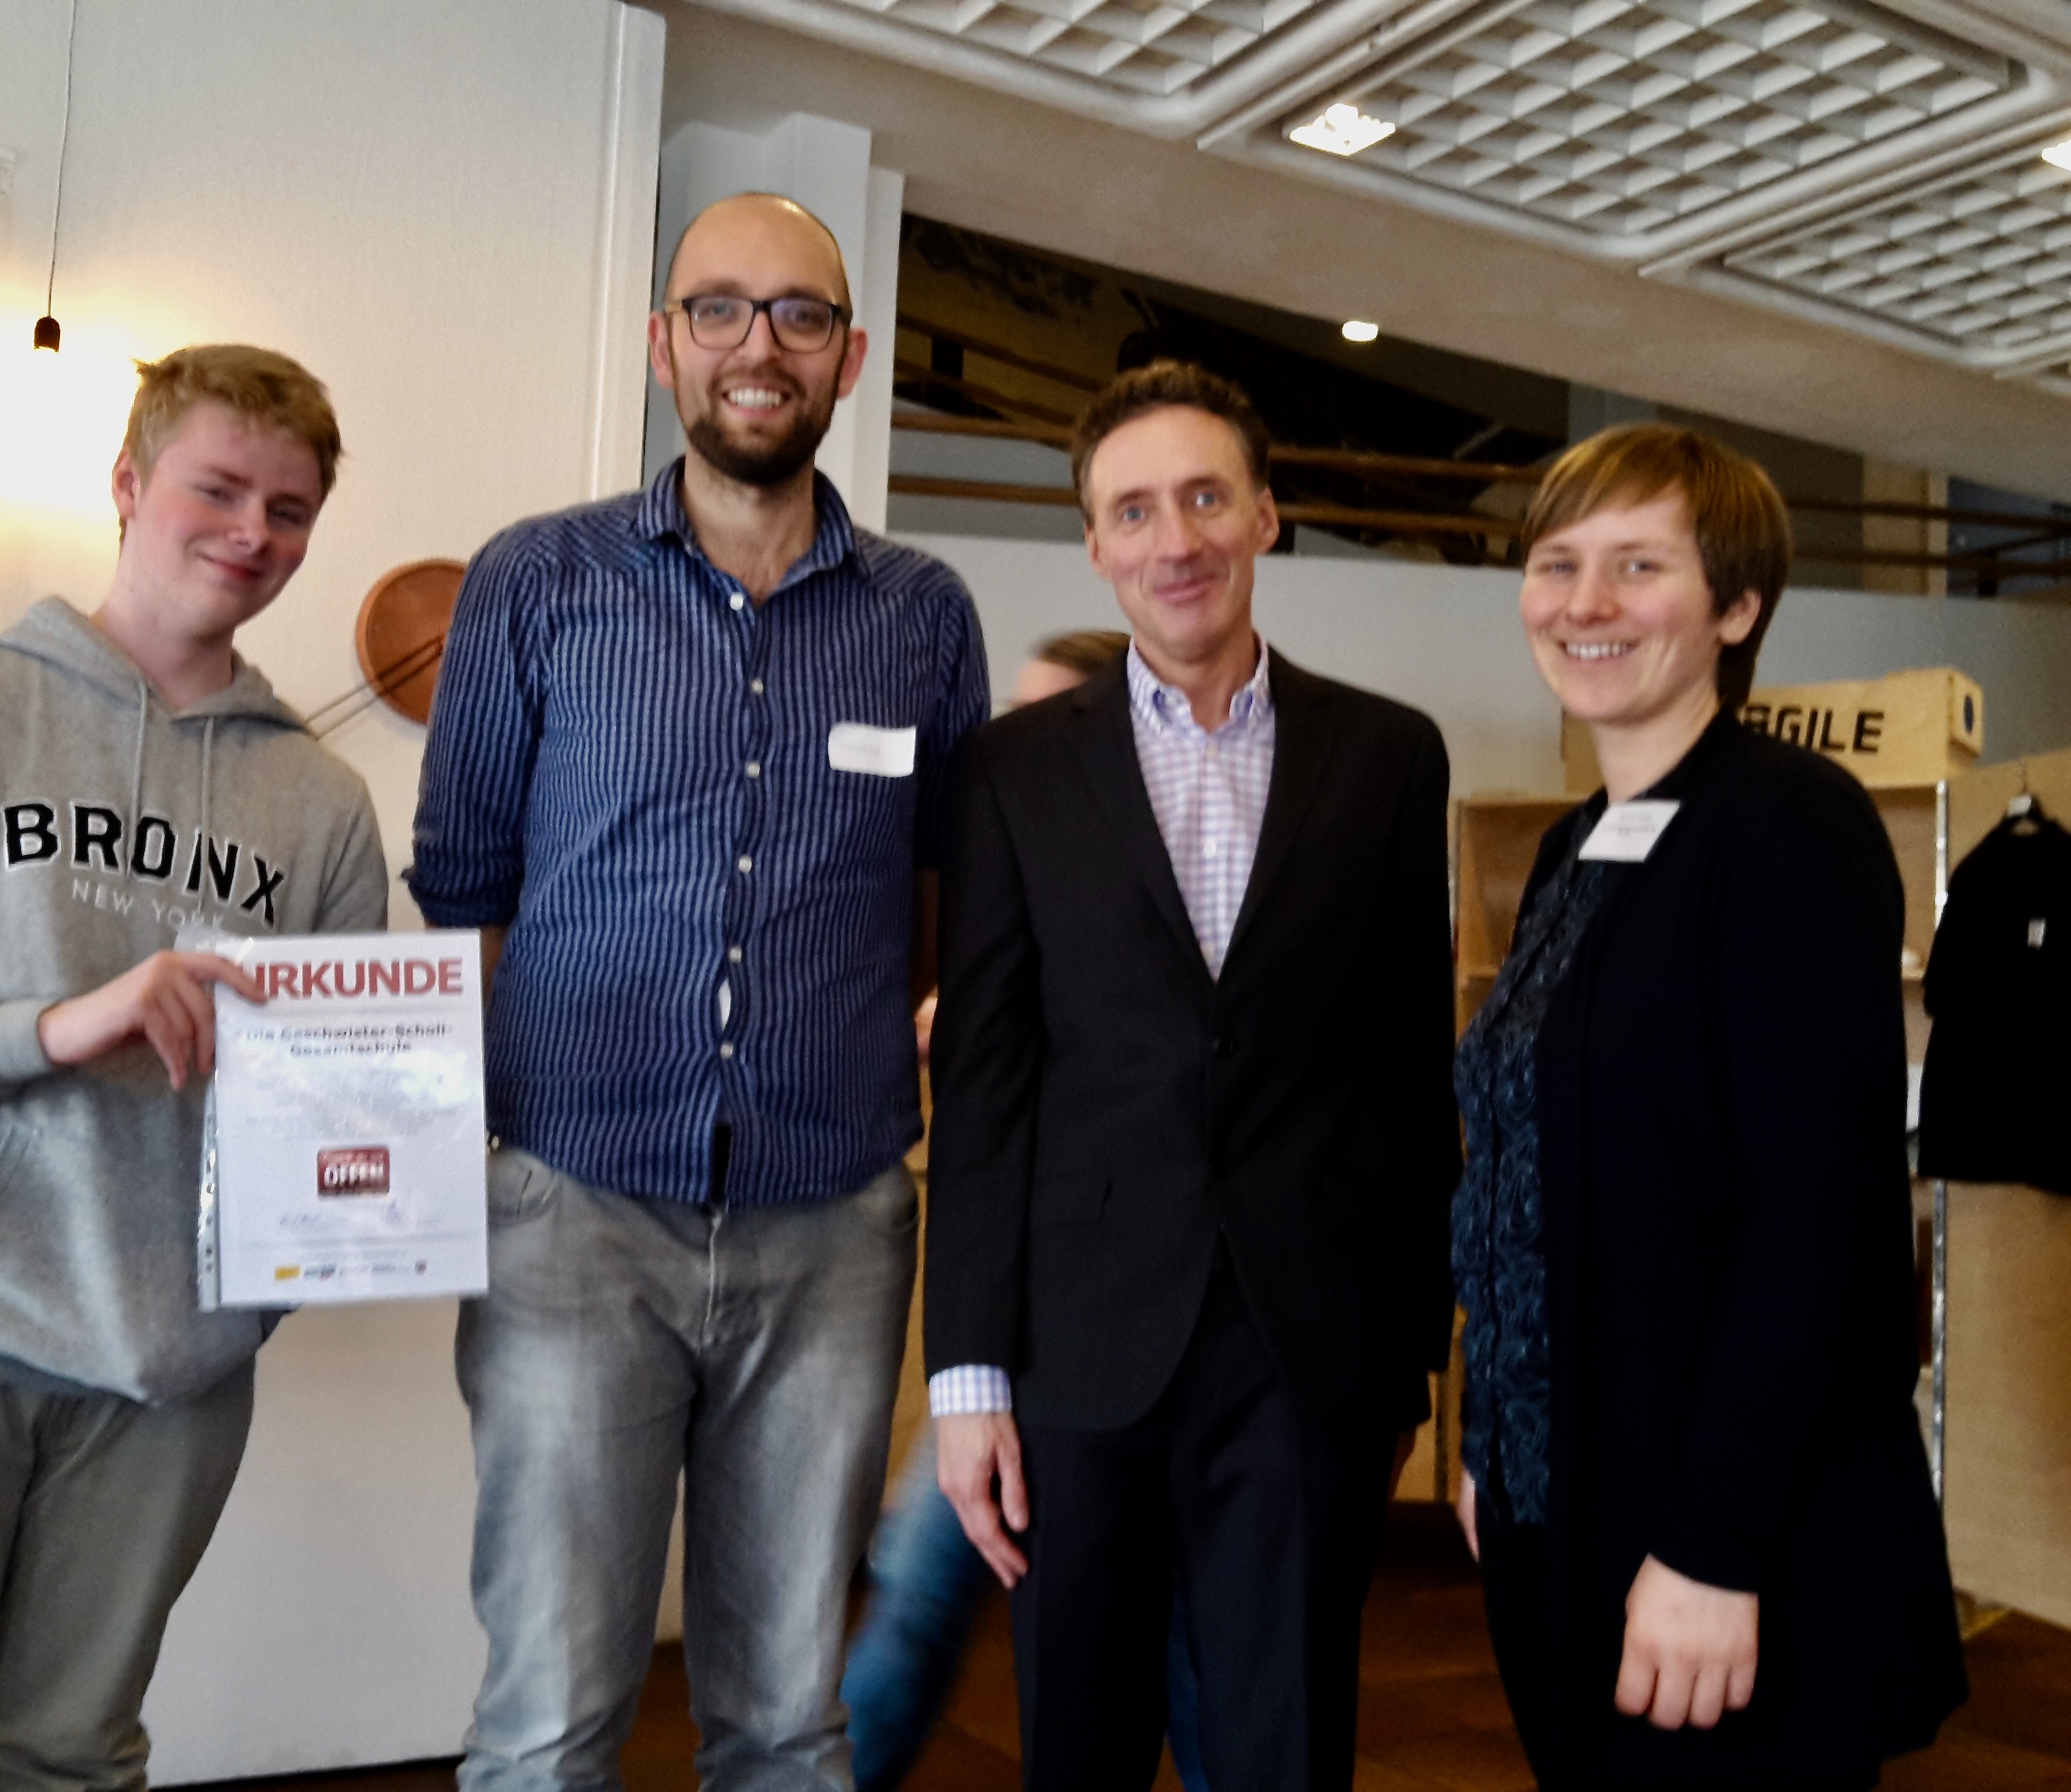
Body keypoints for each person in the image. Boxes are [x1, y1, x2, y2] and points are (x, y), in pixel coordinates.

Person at [0, 344, 390, 1792]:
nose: (253, 534)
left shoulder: (322, 803)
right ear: (126, 485)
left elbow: (329, 1125)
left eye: (289, 511)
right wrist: (60, 1024)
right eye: (217, 490)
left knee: (76, 1763)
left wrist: (339, 1205)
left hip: (165, 1388)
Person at [407, 191, 989, 1792]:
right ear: (664, 344)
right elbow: (465, 890)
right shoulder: (536, 581)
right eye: (719, 308)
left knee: (790, 1723)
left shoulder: (926, 617)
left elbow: (940, 903)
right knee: (548, 1720)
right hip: (573, 1216)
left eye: (801, 314)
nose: (759, 346)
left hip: (833, 1225)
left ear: (849, 357)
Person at [925, 361, 1460, 1792]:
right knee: (1080, 1744)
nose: (1177, 540)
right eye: (1136, 510)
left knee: (1288, 1744)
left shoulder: (1390, 757)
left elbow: (1411, 1070)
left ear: (1266, 515)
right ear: (1095, 545)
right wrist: (965, 1376)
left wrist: (1413, 1358)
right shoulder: (1010, 773)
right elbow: (984, 1089)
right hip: (1076, 1349)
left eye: (1207, 498)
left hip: (1309, 1351)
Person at [1450, 423, 1966, 1788]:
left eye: (1639, 565)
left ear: (1737, 608)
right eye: (1558, 563)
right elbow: (1526, 1168)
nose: (1586, 601)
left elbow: (1817, 1220)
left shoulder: (1792, 827)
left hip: (1716, 1530)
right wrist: (1495, 1440)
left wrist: (1712, 1545)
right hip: (1559, 1491)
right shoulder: (1571, 847)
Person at [846, 629, 1208, 1792]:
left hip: (1129, 1338)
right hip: (1008, 1336)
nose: (1017, 746)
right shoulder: (1010, 868)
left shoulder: (1168, 896)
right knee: (917, 1597)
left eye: (1050, 719)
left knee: (1186, 1660)